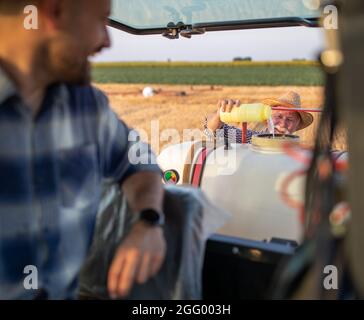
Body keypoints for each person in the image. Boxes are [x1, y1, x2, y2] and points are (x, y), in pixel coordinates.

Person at [0, 0, 165, 300]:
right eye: (102, 20)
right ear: (54, 12)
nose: (106, 41)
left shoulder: (88, 108)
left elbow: (140, 164)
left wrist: (148, 220)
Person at [204, 91, 314, 143]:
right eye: (278, 116)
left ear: (297, 125)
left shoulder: (302, 153)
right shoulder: (251, 139)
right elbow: (213, 130)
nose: (283, 124)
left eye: (290, 119)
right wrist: (220, 114)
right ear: (267, 119)